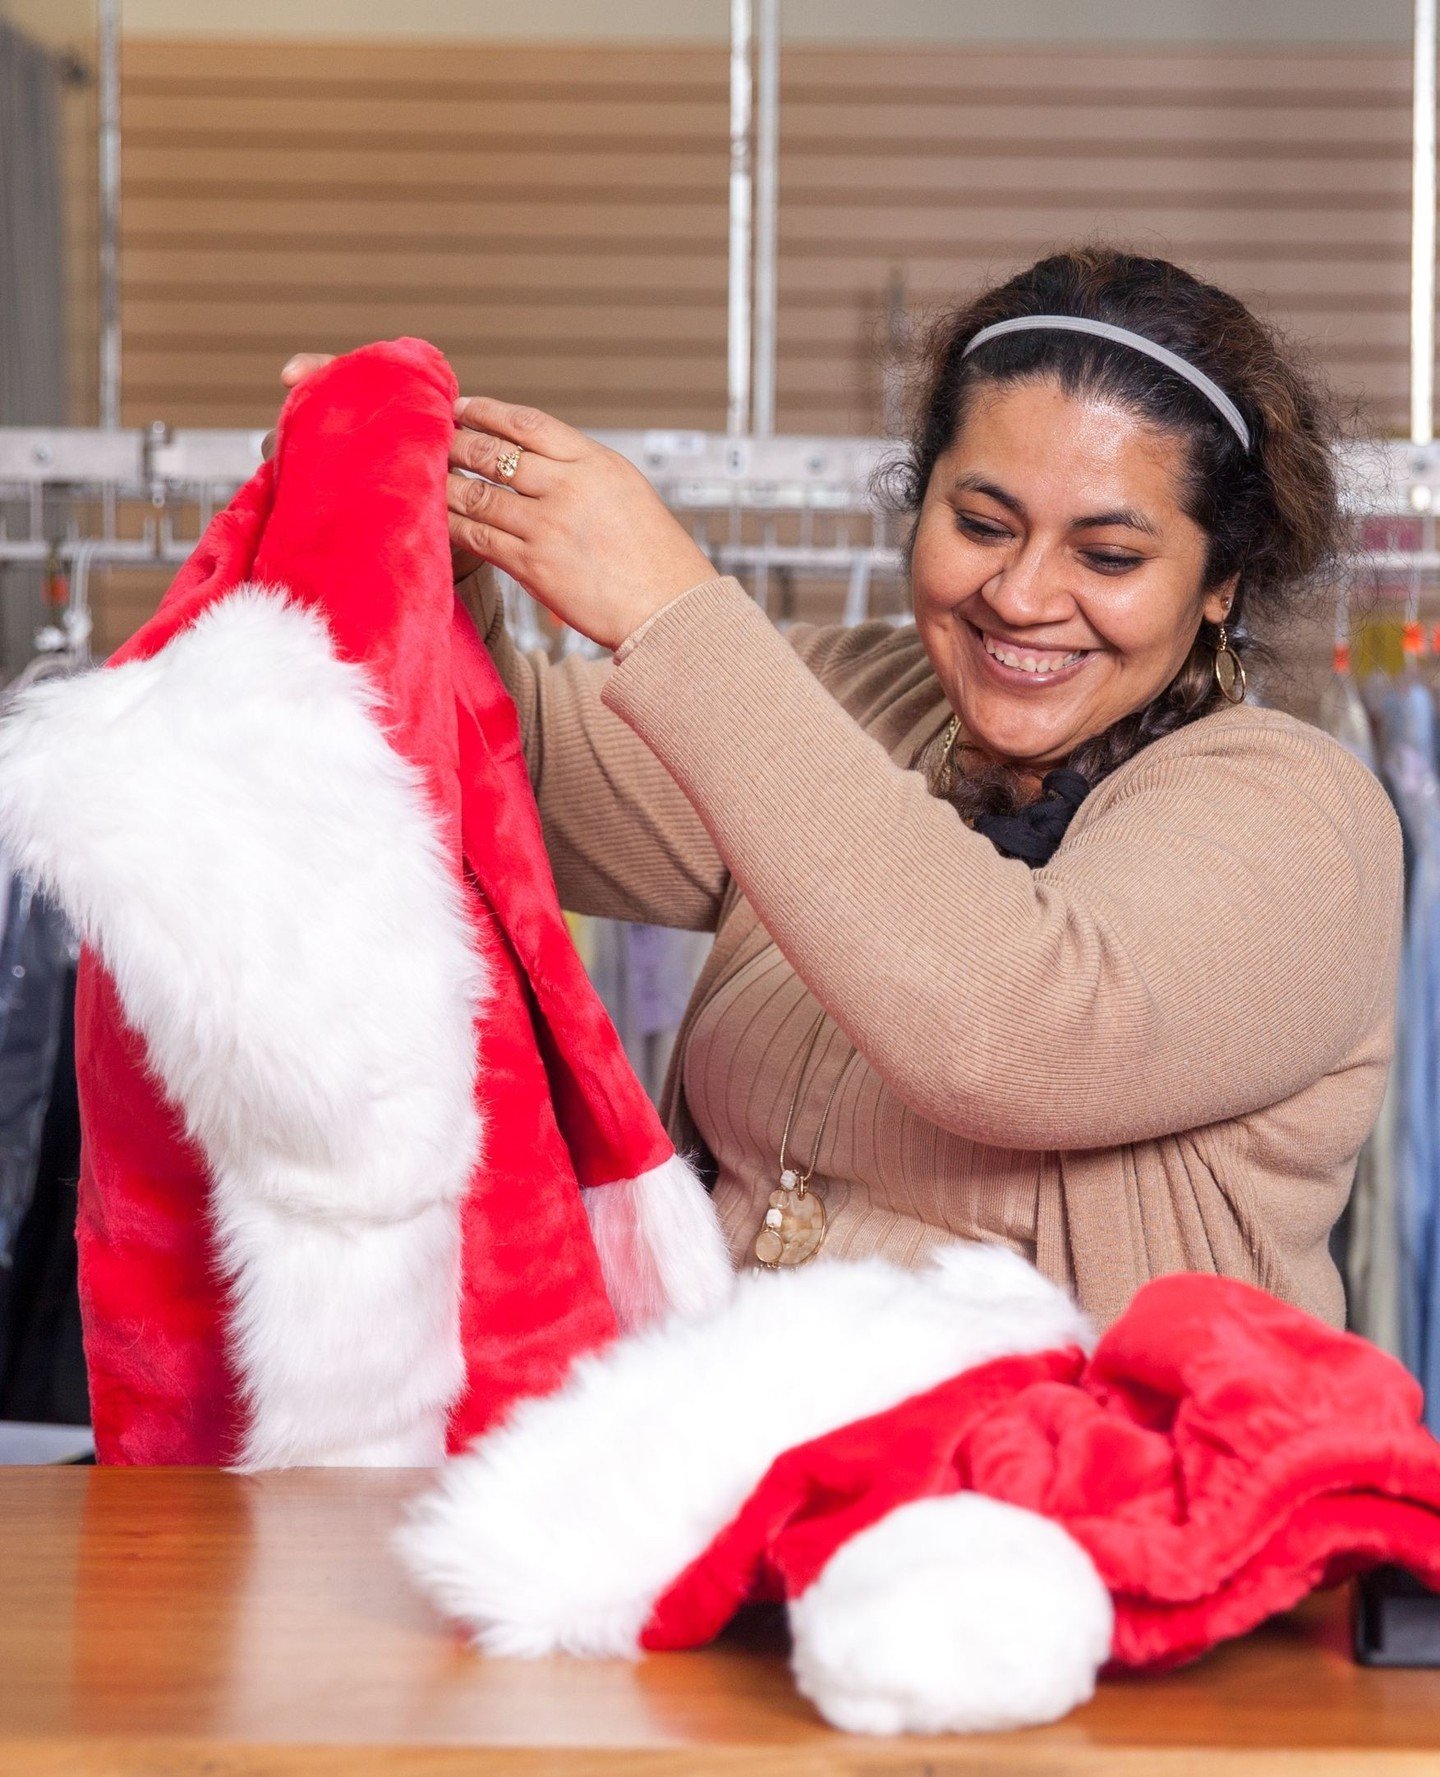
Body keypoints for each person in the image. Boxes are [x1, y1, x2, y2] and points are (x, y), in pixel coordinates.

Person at [285, 246, 1402, 1329]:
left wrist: (676, 612)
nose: (1020, 594)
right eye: (980, 524)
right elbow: (486, 772)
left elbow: (1016, 1028)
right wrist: (424, 543)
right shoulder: (863, 696)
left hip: (1054, 1513)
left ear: (1221, 584)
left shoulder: (1302, 818)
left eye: (1106, 557)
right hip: (725, 1488)